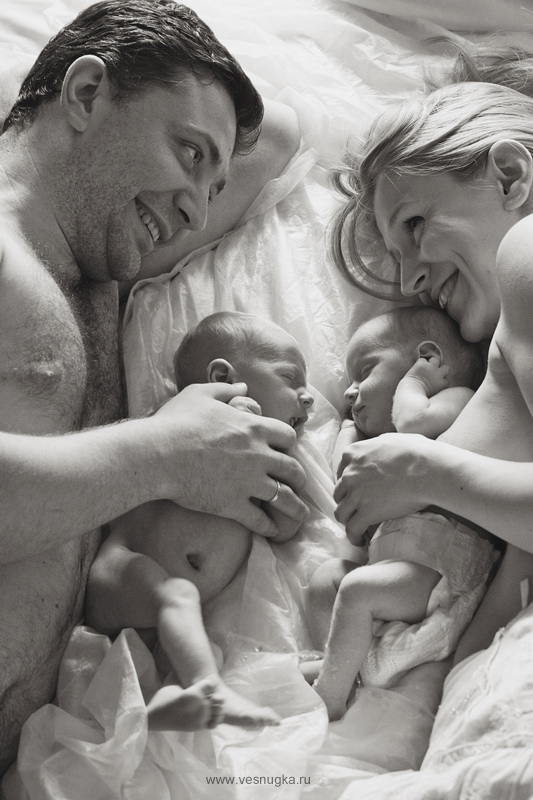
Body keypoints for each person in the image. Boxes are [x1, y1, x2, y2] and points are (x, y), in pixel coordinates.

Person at [0, 0, 308, 775]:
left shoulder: (97, 273)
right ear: (85, 94)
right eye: (188, 153)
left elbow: (276, 137)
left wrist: (196, 135)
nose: (197, 210)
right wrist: (167, 454)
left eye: (213, 184)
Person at [330, 44, 533, 672]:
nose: (410, 280)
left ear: (510, 177)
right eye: (397, 260)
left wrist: (422, 471)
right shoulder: (508, 337)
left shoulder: (526, 250)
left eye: (415, 224)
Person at [86, 311, 314, 730]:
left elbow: (282, 528)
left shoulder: (258, 465)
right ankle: (208, 688)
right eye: (289, 378)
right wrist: (238, 408)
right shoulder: (187, 418)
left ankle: (171, 701)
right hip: (123, 567)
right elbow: (162, 437)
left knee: (197, 640)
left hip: (166, 622)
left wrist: (287, 499)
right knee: (178, 597)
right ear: (223, 377)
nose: (308, 397)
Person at [305, 307, 496, 720]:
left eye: (365, 372)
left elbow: (412, 421)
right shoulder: (382, 453)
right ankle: (336, 662)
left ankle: (330, 699)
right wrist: (348, 432)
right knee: (325, 582)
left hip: (441, 576)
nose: (350, 393)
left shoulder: (458, 401)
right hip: (397, 574)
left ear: (428, 357)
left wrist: (416, 383)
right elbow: (346, 485)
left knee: (356, 591)